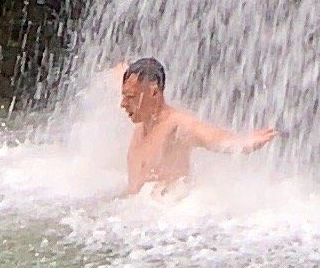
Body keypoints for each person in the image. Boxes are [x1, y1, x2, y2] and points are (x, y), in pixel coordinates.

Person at [114, 57, 277, 195]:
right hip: (135, 217)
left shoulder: (176, 125)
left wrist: (243, 143)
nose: (123, 104)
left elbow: (211, 137)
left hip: (163, 222)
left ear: (153, 91)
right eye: (124, 96)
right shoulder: (143, 122)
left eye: (130, 97)